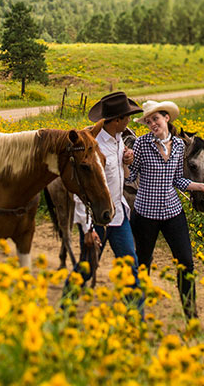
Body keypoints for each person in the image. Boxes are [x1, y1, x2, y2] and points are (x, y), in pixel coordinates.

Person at [127, 100, 204, 319]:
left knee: (186, 263)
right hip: (145, 214)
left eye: (155, 119)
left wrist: (201, 186)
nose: (152, 124)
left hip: (172, 213)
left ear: (166, 118)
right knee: (142, 264)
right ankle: (136, 317)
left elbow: (178, 180)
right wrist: (125, 161)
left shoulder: (179, 147)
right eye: (148, 121)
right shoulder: (140, 144)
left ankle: (192, 318)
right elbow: (131, 177)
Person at [63, 92, 144, 312]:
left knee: (130, 266)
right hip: (96, 219)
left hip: (118, 215)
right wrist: (87, 228)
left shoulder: (119, 140)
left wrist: (126, 160)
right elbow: (82, 189)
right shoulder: (93, 145)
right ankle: (65, 305)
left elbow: (122, 178)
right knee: (88, 268)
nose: (129, 120)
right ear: (117, 120)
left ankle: (137, 319)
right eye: (126, 117)